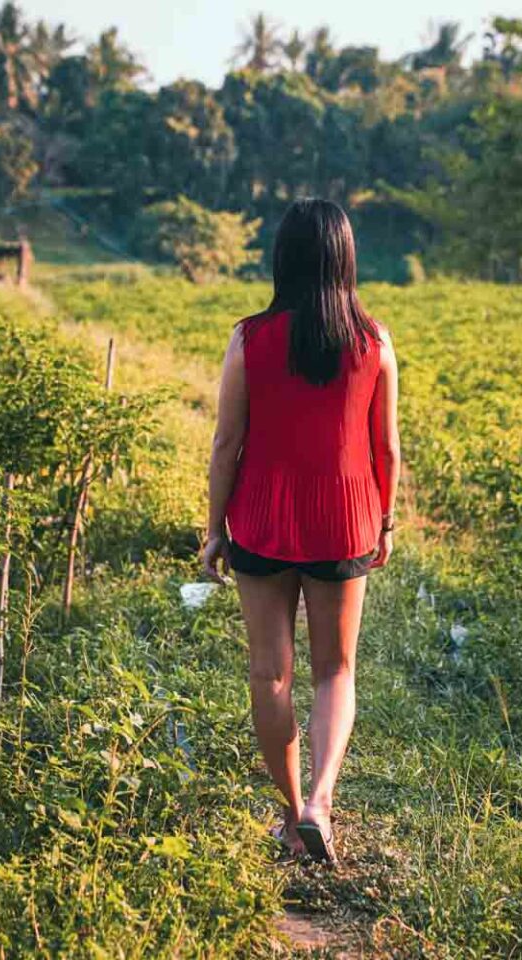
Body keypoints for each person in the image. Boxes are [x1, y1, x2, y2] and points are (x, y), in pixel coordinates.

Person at [202, 197, 400, 865]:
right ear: (346, 257)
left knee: (271, 675)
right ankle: (321, 802)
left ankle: (291, 816)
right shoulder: (375, 341)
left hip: (259, 518)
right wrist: (388, 519)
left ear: (281, 257)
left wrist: (212, 530)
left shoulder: (249, 338)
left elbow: (227, 443)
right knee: (336, 669)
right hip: (346, 520)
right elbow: (388, 449)